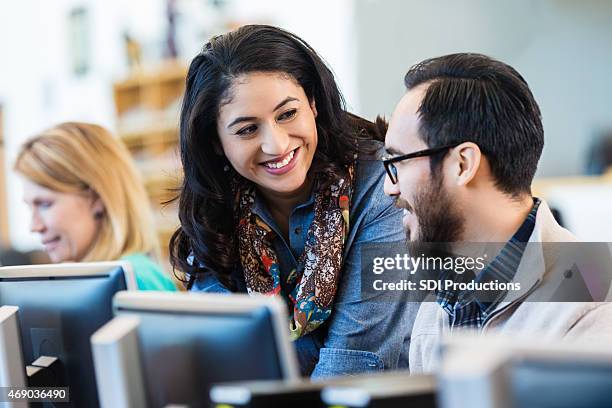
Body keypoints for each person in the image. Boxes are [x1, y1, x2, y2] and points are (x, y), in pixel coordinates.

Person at [169, 24, 418, 378]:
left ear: (313, 103)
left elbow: (351, 366)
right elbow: (222, 361)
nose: (277, 144)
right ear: (215, 142)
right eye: (247, 130)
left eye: (287, 114)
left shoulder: (382, 187)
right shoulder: (212, 211)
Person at [382, 53, 612, 373]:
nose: (389, 188)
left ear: (463, 164)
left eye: (399, 162)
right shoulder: (437, 297)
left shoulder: (592, 305)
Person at [15, 122, 177, 292]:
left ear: (97, 198)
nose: (34, 226)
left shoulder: (135, 279)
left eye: (45, 205)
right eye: (30, 207)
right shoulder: (97, 280)